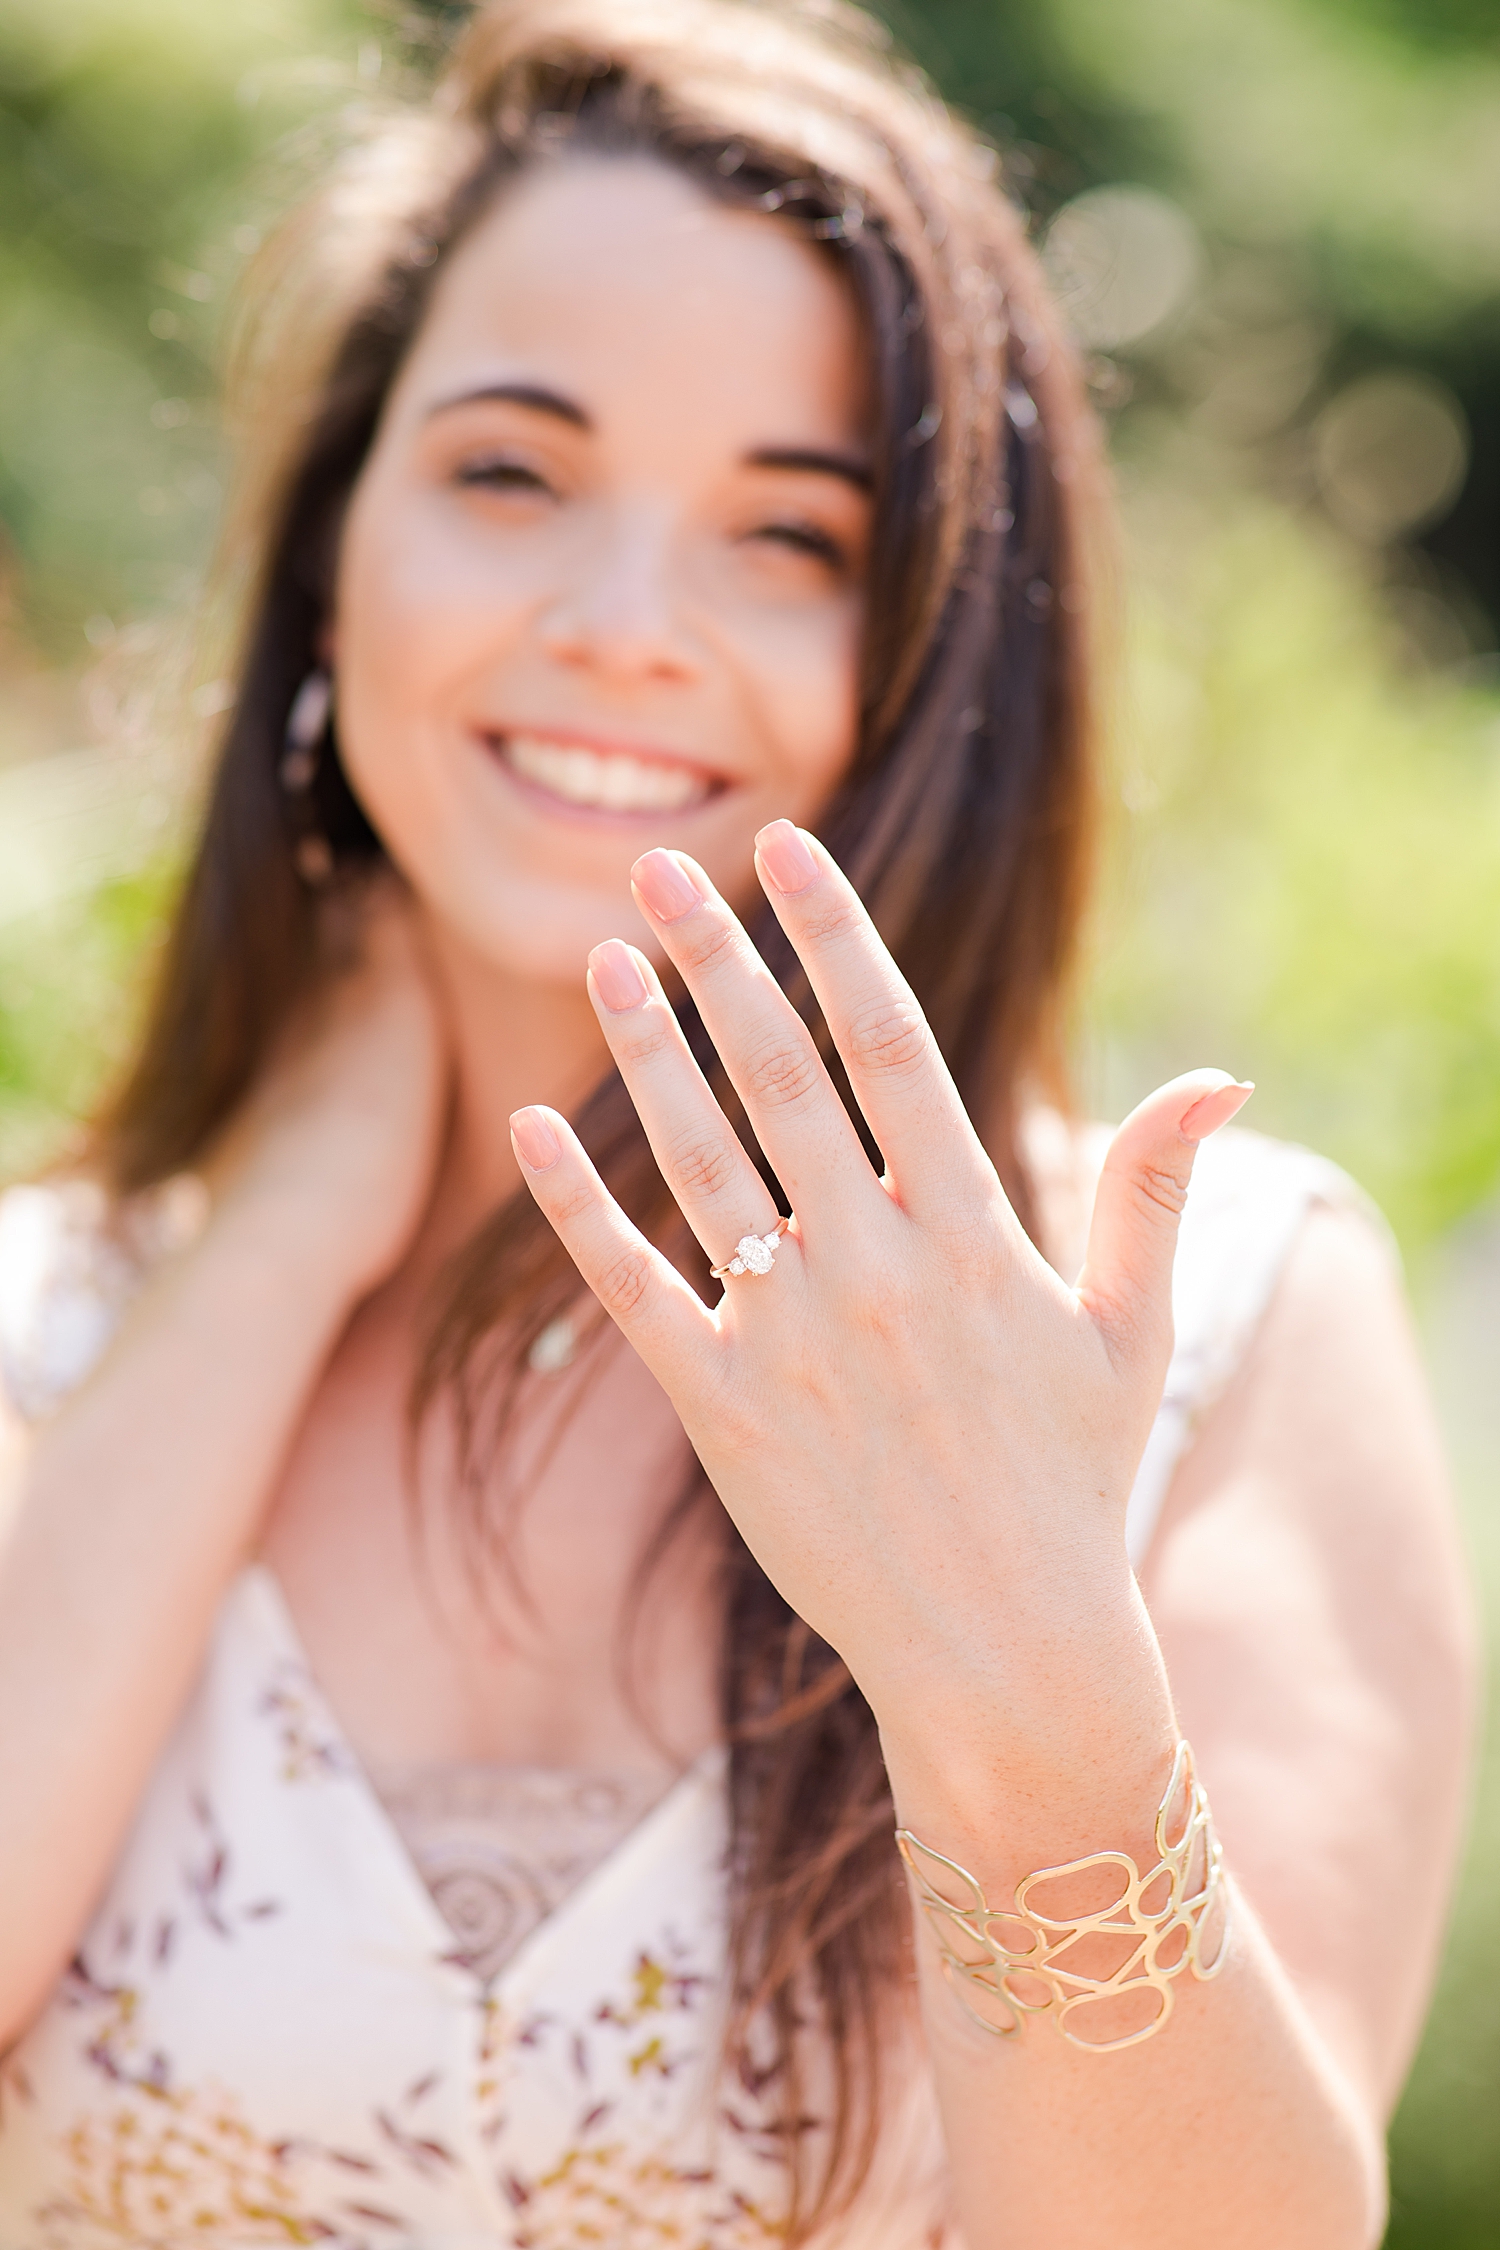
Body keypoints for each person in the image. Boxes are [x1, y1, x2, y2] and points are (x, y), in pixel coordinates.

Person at [0, 3, 1475, 2244]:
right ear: (329, 555)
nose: (621, 629)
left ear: (937, 664)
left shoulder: (1208, 1326)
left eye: (788, 533)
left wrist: (1025, 1683)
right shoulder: (53, 1312)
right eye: (512, 473)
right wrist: (272, 1244)